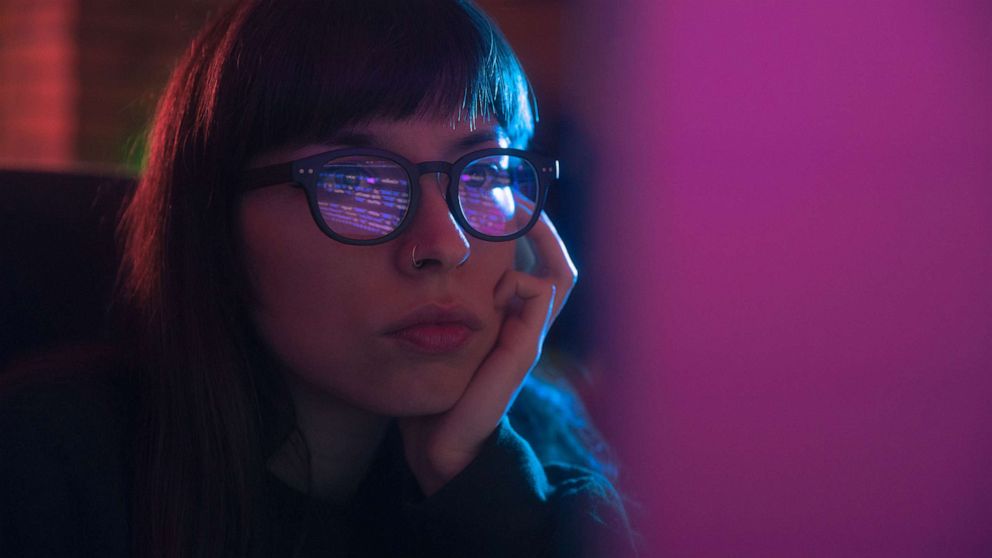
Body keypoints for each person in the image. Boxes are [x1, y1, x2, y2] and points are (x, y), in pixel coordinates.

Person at [0, 1, 637, 556]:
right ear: (214, 224)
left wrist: (479, 480)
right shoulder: (44, 469)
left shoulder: (550, 459)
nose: (445, 244)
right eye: (356, 182)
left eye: (487, 171)